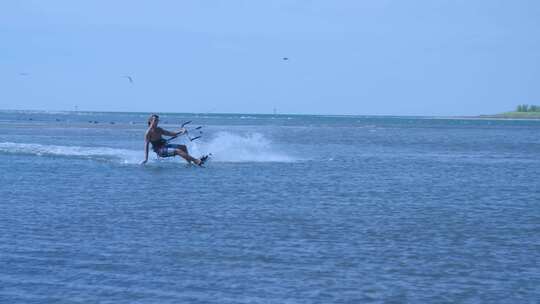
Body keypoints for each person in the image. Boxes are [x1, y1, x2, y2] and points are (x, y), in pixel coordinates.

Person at [141, 114, 207, 165]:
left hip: (165, 146)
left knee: (183, 147)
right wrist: (146, 159)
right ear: (150, 121)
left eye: (157, 120)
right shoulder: (148, 133)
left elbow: (171, 133)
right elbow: (146, 146)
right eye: (155, 121)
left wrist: (181, 131)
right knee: (177, 151)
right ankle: (196, 161)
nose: (157, 122)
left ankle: (189, 162)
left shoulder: (159, 129)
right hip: (160, 151)